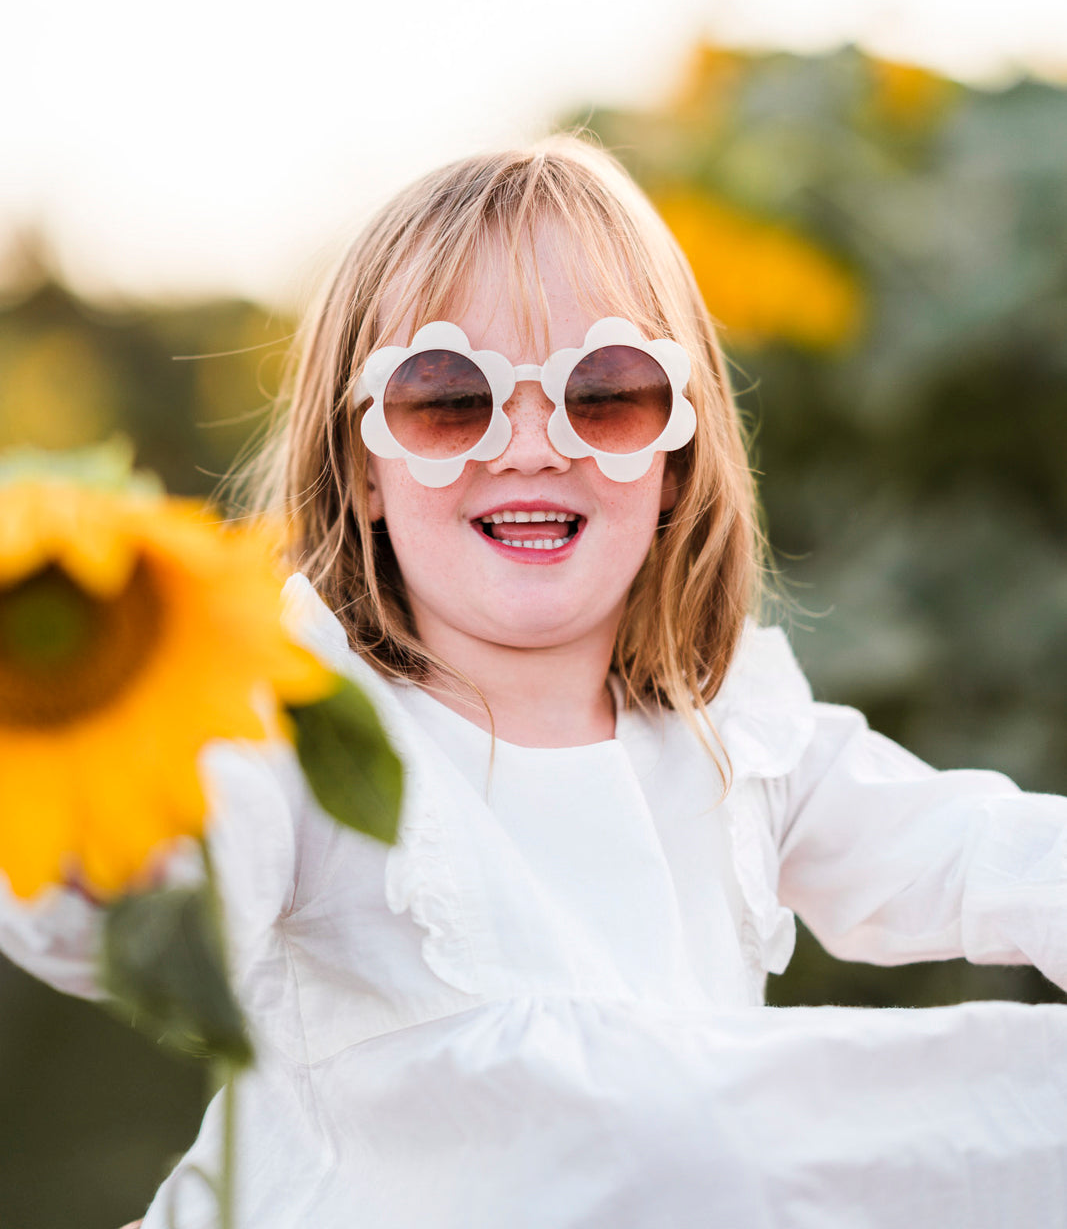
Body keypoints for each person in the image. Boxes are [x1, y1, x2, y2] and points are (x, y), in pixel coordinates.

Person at [3, 136, 1067, 1228]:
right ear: (364, 467)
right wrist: (101, 838)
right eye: (446, 398)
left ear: (673, 460)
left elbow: (970, 850)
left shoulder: (732, 728)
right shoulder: (304, 713)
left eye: (602, 395)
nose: (526, 444)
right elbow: (174, 872)